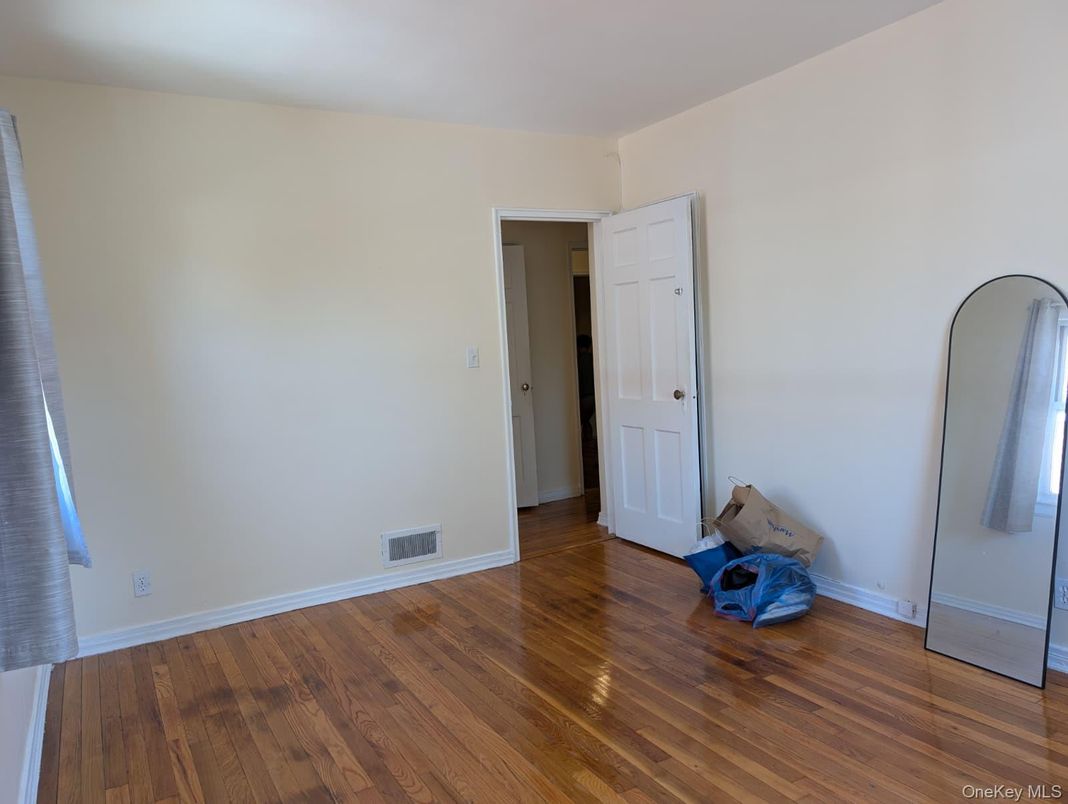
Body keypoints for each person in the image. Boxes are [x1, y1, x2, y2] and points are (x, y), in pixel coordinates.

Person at [577, 334, 596, 439]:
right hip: (594, 396)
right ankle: (589, 442)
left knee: (580, 422)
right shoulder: (593, 359)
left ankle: (583, 444)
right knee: (586, 420)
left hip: (583, 397)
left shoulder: (577, 361)